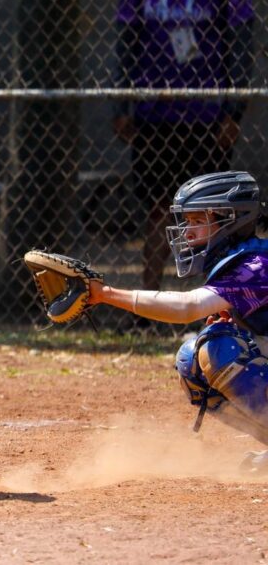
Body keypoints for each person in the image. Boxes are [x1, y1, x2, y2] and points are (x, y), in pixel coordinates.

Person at [114, 0, 255, 292]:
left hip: (206, 117)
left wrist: (233, 112)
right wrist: (122, 104)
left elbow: (240, 49)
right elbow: (125, 44)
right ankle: (149, 304)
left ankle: (212, 303)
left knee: (208, 213)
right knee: (158, 208)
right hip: (155, 117)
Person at [86, 171, 268, 474]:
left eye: (198, 222)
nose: (187, 232)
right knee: (192, 360)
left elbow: (188, 307)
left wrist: (105, 294)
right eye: (188, 222)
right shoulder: (243, 259)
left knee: (220, 348)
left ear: (231, 221)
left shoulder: (256, 265)